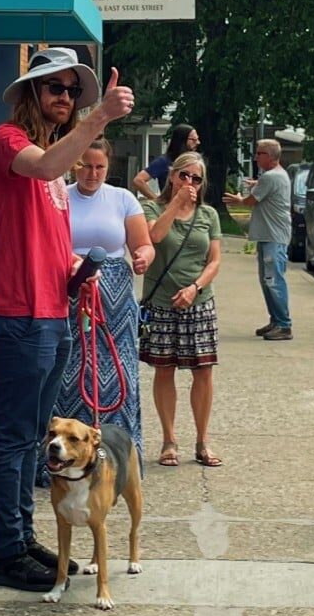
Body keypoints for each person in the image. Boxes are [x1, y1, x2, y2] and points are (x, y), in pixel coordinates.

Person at [0, 48, 132, 589]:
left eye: (72, 91)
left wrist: (74, 268)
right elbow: (42, 166)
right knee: (15, 435)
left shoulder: (54, 162)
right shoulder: (8, 142)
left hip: (52, 310)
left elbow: (48, 238)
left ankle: (21, 539)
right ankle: (9, 551)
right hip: (19, 312)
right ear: (30, 93)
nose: (65, 98)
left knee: (33, 439)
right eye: (54, 88)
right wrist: (101, 117)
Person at [60, 137, 154, 467]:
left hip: (116, 302)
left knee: (120, 374)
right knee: (72, 371)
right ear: (75, 165)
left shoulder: (123, 199)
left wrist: (143, 255)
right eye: (86, 165)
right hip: (73, 290)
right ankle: (67, 454)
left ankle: (119, 458)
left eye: (100, 167)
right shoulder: (61, 197)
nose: (93, 173)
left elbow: (143, 244)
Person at [140, 151, 224, 464]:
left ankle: (202, 442)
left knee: (203, 371)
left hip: (198, 302)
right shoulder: (151, 207)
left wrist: (195, 287)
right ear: (173, 176)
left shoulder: (208, 215)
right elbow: (155, 236)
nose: (189, 182)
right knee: (165, 369)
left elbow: (214, 260)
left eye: (196, 178)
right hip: (161, 303)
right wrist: (176, 204)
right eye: (184, 175)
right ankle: (169, 440)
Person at [226, 137, 295, 340]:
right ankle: (276, 320)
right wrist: (257, 183)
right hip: (271, 235)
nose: (255, 157)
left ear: (271, 156)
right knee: (267, 280)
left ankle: (283, 325)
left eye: (259, 153)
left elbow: (249, 201)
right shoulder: (276, 176)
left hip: (273, 236)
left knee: (273, 280)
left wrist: (238, 199)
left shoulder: (271, 177)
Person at [135, 123, 198, 198]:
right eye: (193, 140)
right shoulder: (164, 161)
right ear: (181, 141)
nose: (197, 142)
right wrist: (157, 201)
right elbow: (138, 180)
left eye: (197, 139)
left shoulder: (194, 162)